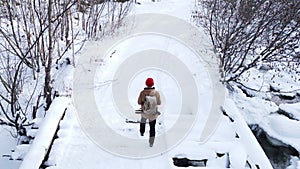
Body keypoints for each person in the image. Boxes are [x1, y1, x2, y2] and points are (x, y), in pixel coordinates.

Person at [137, 77, 161, 147]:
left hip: (145, 113)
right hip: (153, 114)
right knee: (152, 127)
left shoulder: (142, 93)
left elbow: (138, 102)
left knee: (143, 121)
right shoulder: (156, 93)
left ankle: (142, 132)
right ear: (153, 84)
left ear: (146, 84)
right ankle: (151, 142)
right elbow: (159, 103)